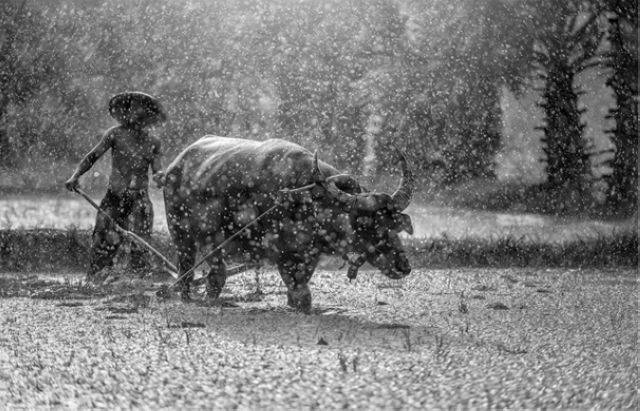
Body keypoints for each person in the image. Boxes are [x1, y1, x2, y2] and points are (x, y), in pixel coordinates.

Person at [65, 92, 167, 280]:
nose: (136, 116)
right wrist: (75, 176)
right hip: (114, 198)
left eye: (141, 113)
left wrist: (162, 178)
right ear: (125, 113)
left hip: (140, 201)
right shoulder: (115, 134)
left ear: (148, 118)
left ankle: (136, 282)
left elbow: (158, 172)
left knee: (141, 245)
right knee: (102, 241)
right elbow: (92, 157)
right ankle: (96, 280)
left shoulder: (153, 142)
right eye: (131, 110)